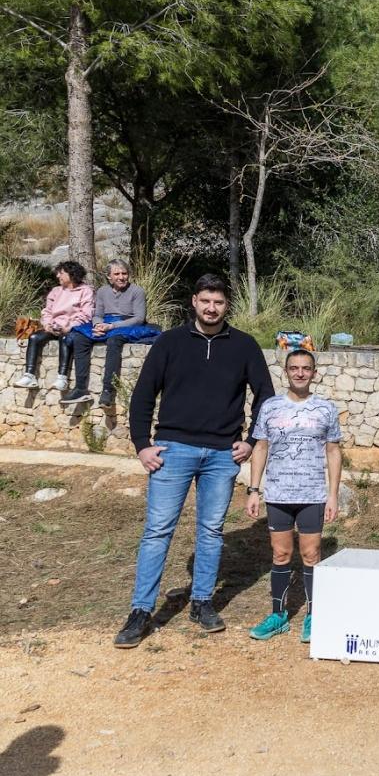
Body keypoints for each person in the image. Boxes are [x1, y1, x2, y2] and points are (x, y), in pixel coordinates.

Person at [114, 274, 274, 649]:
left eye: (218, 302)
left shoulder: (245, 346)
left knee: (211, 531)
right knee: (157, 531)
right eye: (205, 301)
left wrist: (250, 440)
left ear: (226, 305)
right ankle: (140, 611)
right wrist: (141, 444)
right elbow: (142, 395)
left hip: (222, 454)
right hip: (173, 449)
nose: (211, 308)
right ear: (194, 301)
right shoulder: (169, 342)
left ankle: (202, 602)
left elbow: (265, 395)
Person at [245, 349, 343, 641]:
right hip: (278, 492)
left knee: (311, 554)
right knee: (281, 553)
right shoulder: (271, 407)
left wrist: (333, 495)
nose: (300, 373)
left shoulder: (326, 408)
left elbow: (334, 451)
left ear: (314, 373)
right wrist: (253, 490)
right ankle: (278, 615)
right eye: (294, 368)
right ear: (285, 372)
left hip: (312, 493)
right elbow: (260, 447)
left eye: (306, 368)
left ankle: (314, 616)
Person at [61, 259, 156, 407]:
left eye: (124, 273)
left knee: (114, 341)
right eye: (116, 274)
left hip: (127, 324)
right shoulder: (102, 291)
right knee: (80, 338)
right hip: (106, 322)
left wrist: (111, 326)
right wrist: (98, 325)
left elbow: (139, 318)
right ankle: (80, 388)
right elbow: (97, 314)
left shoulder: (137, 291)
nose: (121, 277)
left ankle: (108, 390)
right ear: (109, 277)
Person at [14, 260, 93, 392]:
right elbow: (47, 311)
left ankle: (62, 378)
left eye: (61, 273)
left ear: (72, 274)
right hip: (54, 326)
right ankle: (29, 375)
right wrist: (47, 325)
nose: (58, 276)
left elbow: (86, 314)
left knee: (65, 339)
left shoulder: (86, 291)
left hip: (71, 328)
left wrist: (69, 326)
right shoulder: (56, 291)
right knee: (34, 337)